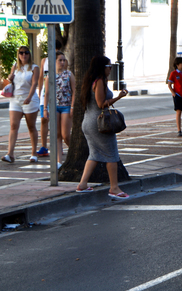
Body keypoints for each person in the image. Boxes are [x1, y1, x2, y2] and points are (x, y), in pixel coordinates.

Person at [76, 56, 129, 199]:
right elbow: (101, 104)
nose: (110, 69)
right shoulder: (99, 81)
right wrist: (119, 97)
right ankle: (114, 188)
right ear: (102, 67)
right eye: (108, 66)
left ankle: (82, 184)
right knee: (112, 154)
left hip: (88, 122)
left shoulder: (91, 81)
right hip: (99, 123)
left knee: (94, 154)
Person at [2, 46, 40, 164]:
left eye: (26, 53)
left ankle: (34, 153)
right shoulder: (15, 67)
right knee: (13, 126)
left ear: (29, 55)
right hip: (15, 99)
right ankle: (10, 154)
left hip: (29, 99)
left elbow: (34, 84)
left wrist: (29, 97)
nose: (24, 55)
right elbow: (10, 81)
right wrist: (9, 78)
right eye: (21, 53)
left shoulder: (34, 68)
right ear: (18, 55)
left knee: (31, 126)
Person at [43, 51, 75, 169]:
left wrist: (72, 106)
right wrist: (45, 108)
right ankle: (58, 161)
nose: (62, 62)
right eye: (59, 60)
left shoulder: (69, 74)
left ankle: (74, 152)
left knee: (65, 134)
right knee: (56, 135)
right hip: (54, 106)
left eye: (63, 60)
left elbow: (74, 91)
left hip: (66, 106)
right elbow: (46, 93)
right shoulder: (50, 76)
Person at [37, 40, 63, 157]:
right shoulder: (44, 61)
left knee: (57, 121)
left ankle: (59, 146)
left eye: (56, 49)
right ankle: (44, 146)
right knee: (44, 119)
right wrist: (39, 92)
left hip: (58, 95)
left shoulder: (61, 61)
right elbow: (41, 77)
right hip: (45, 94)